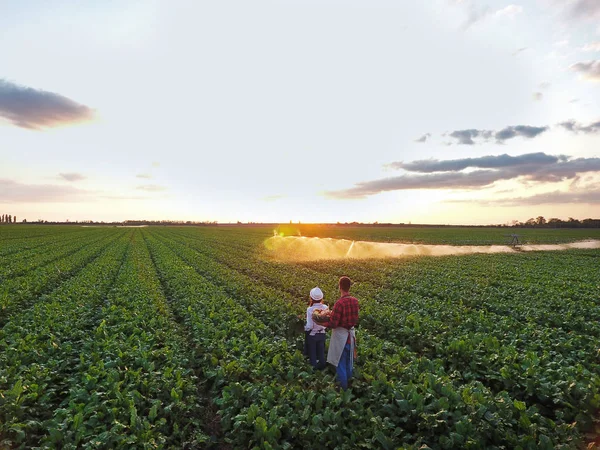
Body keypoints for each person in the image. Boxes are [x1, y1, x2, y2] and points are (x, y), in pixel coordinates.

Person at [323, 276, 359, 390]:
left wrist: (323, 324)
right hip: (351, 336)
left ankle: (343, 390)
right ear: (349, 287)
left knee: (340, 363)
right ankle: (350, 385)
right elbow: (353, 318)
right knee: (349, 362)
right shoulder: (355, 301)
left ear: (340, 287)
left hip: (341, 337)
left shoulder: (339, 303)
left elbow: (333, 323)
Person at [304, 287, 329, 369]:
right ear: (321, 298)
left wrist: (304, 328)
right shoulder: (325, 307)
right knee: (321, 353)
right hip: (322, 333)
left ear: (311, 298)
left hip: (312, 335)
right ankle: (322, 370)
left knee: (313, 354)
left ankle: (314, 372)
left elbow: (310, 326)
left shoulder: (310, 309)